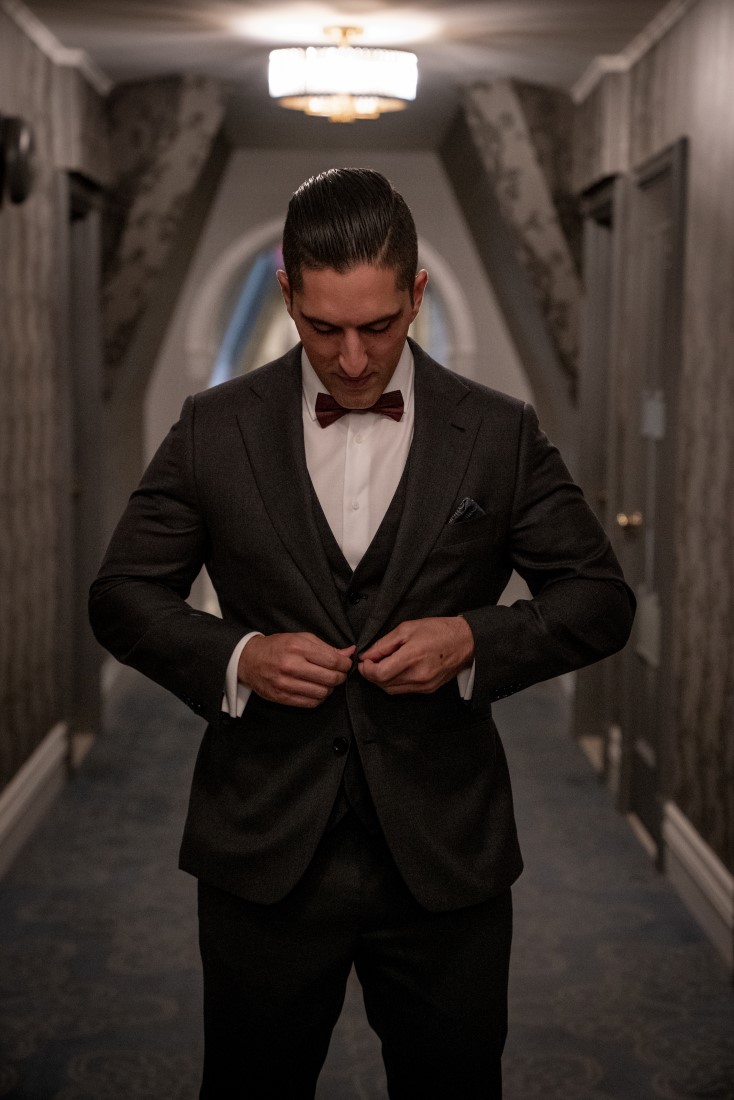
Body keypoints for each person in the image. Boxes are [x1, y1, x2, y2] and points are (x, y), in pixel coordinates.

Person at [89, 167, 634, 1099]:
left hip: (445, 854)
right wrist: (238, 654)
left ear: (416, 294)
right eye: (323, 327)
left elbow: (598, 599)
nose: (350, 360)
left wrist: (473, 640)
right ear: (286, 291)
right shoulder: (210, 427)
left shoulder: (498, 435)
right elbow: (123, 594)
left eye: (379, 327)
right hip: (261, 847)